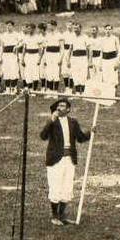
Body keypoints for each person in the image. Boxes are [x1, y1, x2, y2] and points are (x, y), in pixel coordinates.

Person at [39, 97, 93, 226]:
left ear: (68, 109)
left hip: (69, 159)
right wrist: (51, 120)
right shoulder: (52, 122)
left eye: (63, 106)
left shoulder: (73, 122)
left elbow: (80, 138)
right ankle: (54, 215)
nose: (59, 108)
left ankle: (62, 215)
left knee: (67, 186)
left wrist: (91, 133)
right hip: (55, 159)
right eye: (58, 105)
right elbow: (43, 136)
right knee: (55, 185)